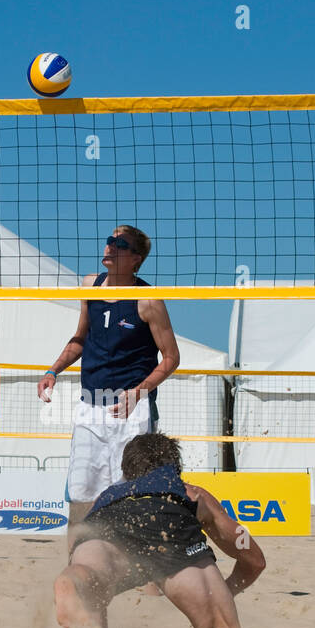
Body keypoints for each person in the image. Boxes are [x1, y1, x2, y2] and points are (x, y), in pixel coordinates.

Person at [52, 432, 265, 628]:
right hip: (166, 520)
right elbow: (254, 560)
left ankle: (78, 601)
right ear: (175, 466)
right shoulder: (188, 491)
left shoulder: (106, 496)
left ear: (127, 469)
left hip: (107, 522)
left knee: (90, 585)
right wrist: (226, 591)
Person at [36, 226, 181, 545]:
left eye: (120, 244)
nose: (110, 246)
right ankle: (76, 564)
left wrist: (138, 392)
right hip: (91, 403)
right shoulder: (90, 285)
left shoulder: (148, 301)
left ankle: (147, 572)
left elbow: (171, 358)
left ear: (135, 259)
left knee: (137, 492)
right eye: (109, 240)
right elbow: (81, 338)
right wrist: (53, 371)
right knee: (80, 492)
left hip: (133, 407)